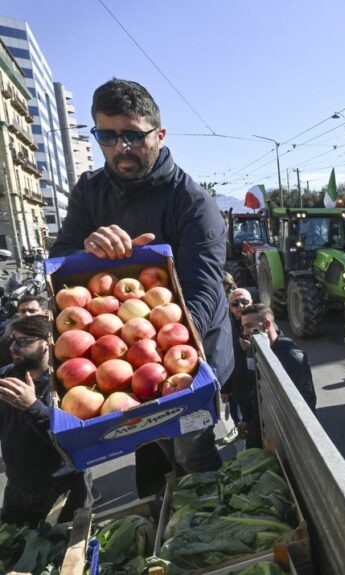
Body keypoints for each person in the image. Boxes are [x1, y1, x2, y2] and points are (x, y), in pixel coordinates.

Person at [50, 78, 233, 496]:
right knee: (148, 450)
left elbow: (202, 293)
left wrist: (159, 355)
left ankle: (208, 522)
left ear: (160, 134)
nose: (121, 147)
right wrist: (86, 249)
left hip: (187, 358)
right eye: (108, 136)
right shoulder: (89, 191)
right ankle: (157, 523)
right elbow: (60, 259)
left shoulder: (193, 203)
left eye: (133, 134)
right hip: (120, 352)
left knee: (192, 453)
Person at [0, 316, 92, 524]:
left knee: (65, 549)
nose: (14, 347)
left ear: (45, 343)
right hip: (18, 489)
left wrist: (32, 407)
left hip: (62, 492)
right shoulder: (7, 378)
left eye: (23, 342)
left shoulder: (68, 384)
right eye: (12, 340)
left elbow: (74, 441)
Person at [240, 304, 316, 412]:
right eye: (243, 327)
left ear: (266, 324)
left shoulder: (293, 357)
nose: (244, 332)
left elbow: (307, 400)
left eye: (249, 326)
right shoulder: (253, 348)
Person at [222, 288, 258, 446]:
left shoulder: (261, 323)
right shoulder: (226, 328)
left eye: (244, 301)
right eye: (235, 303)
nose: (240, 306)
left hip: (258, 386)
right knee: (245, 425)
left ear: (252, 303)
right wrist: (225, 388)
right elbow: (224, 359)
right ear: (230, 308)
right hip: (239, 386)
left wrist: (254, 349)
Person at [0, 295, 50, 366]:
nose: (27, 314)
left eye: (32, 311)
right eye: (23, 311)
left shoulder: (55, 333)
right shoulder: (7, 341)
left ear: (46, 313)